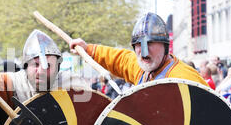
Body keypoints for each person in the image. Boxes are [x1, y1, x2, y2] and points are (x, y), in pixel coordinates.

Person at [70, 12, 208, 87]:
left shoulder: (185, 78)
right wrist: (87, 49)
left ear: (165, 47)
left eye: (150, 43)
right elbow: (119, 59)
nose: (144, 51)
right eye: (139, 45)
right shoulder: (142, 69)